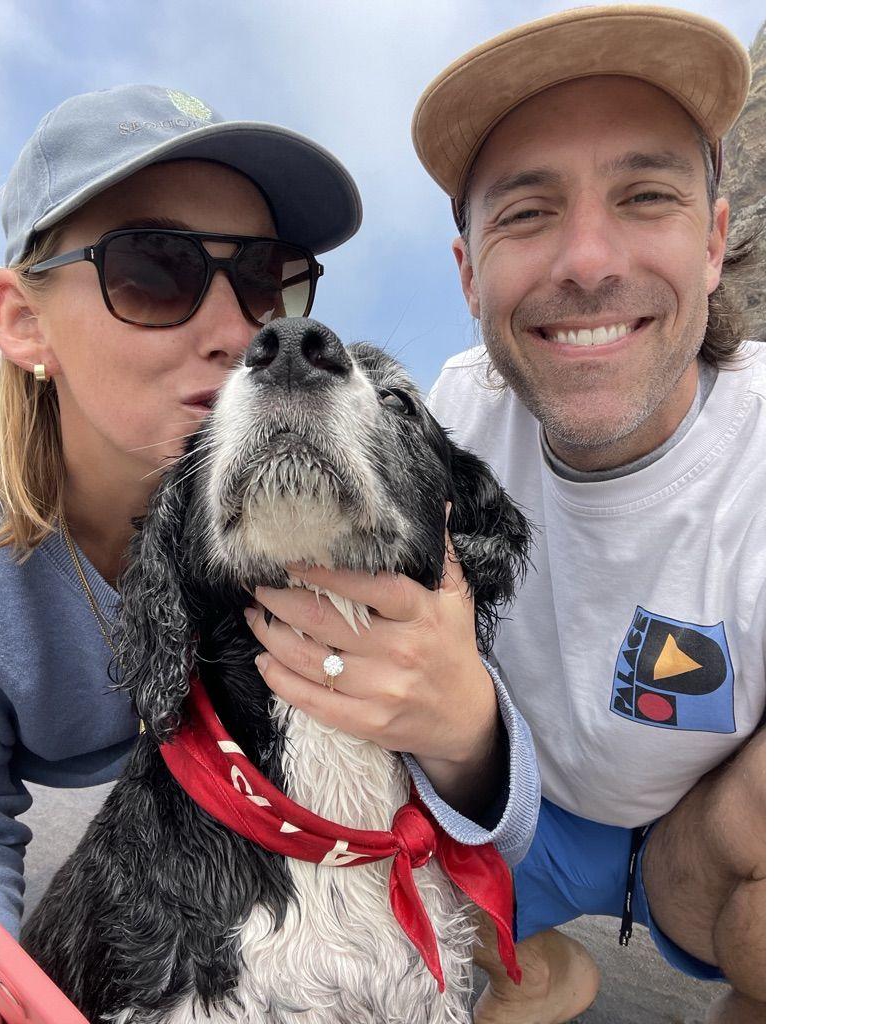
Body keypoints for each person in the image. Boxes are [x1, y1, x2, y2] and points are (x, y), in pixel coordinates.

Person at [0, 84, 540, 941]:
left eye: (264, 279)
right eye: (151, 269)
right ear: (24, 322)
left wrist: (465, 729)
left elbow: (490, 810)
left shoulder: (309, 505)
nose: (242, 330)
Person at [409, 6, 766, 1024]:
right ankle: (537, 965)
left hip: (696, 842)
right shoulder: (452, 415)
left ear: (711, 241)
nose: (588, 260)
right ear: (469, 270)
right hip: (509, 824)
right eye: (526, 213)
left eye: (643, 196)